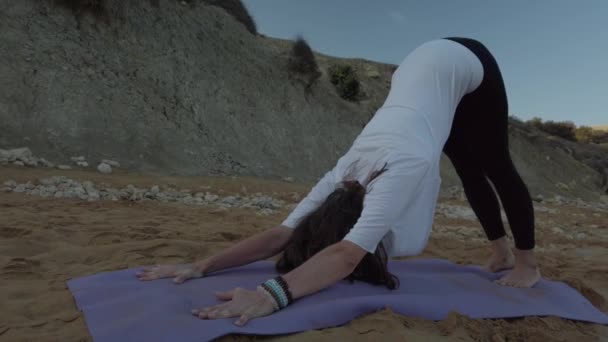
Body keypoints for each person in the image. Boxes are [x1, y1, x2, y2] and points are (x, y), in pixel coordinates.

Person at [137, 37, 541, 326]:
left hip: (466, 58)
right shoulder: (342, 173)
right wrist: (200, 267)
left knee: (495, 164)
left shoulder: (401, 169)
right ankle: (500, 254)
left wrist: (268, 296)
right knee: (468, 169)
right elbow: (281, 235)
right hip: (421, 71)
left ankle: (525, 263)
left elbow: (346, 255)